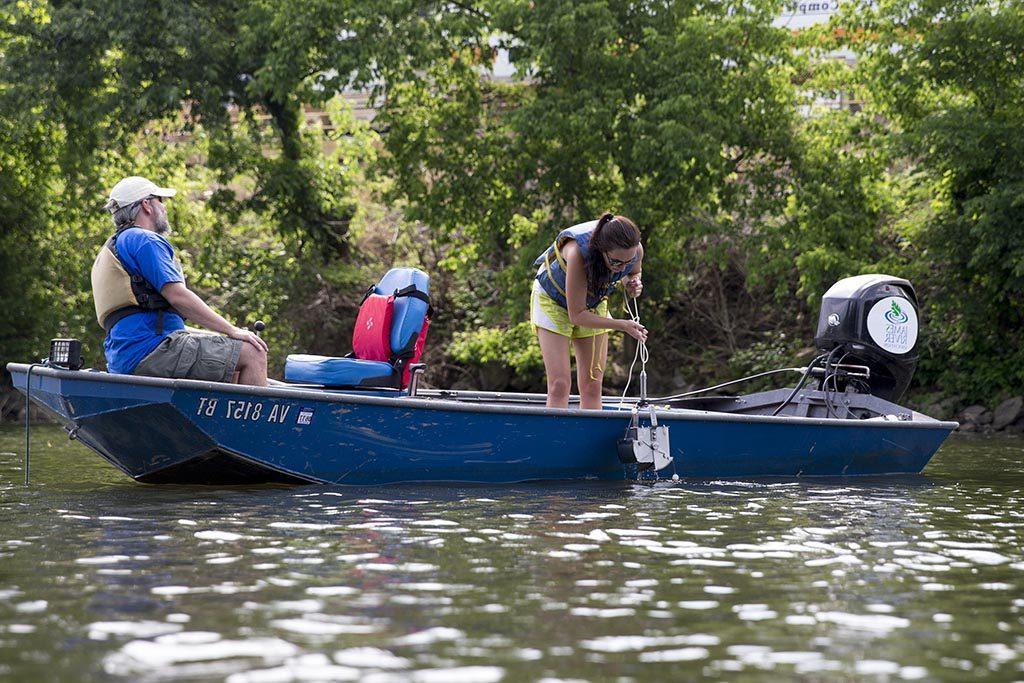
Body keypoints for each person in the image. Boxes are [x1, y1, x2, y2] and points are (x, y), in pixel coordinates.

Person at [91, 176, 268, 386]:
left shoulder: (115, 246)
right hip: (152, 351)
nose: (165, 208)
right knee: (253, 352)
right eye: (160, 201)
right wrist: (233, 329)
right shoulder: (144, 239)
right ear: (146, 204)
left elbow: (161, 325)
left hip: (125, 357)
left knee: (232, 360)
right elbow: (178, 296)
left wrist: (225, 335)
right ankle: (249, 421)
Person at [532, 212, 647, 409]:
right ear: (602, 250)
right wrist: (622, 325)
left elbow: (634, 272)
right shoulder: (579, 253)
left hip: (593, 302)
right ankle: (557, 438)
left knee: (592, 386)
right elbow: (576, 315)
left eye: (627, 261)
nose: (621, 268)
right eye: (616, 262)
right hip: (554, 301)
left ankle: (589, 437)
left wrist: (633, 282)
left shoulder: (633, 251)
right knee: (560, 385)